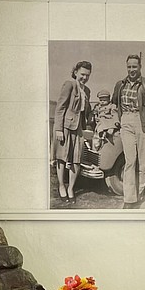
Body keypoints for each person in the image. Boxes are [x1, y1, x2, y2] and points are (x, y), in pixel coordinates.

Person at [112, 52, 145, 206]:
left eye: (134, 66)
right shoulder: (120, 84)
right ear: (126, 67)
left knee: (143, 163)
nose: (131, 69)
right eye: (129, 67)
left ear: (140, 67)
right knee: (130, 161)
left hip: (143, 124)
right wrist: (116, 121)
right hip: (126, 121)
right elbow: (114, 103)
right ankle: (129, 198)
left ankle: (139, 193)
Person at [52, 61, 93, 200]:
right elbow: (60, 107)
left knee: (76, 160)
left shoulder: (87, 91)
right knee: (62, 158)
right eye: (82, 74)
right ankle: (61, 185)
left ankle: (71, 188)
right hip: (65, 127)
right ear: (76, 72)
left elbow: (86, 112)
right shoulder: (69, 84)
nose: (84, 78)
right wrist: (58, 129)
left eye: (87, 75)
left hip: (79, 129)